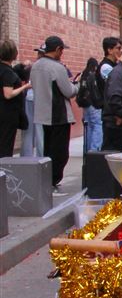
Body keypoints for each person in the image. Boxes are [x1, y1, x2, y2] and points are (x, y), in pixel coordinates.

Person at [29, 35, 77, 188]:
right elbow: (68, 91)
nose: (62, 53)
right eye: (61, 50)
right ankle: (53, 180)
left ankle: (47, 180)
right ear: (57, 50)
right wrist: (78, 86)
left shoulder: (36, 66)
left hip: (43, 114)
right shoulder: (57, 67)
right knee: (60, 153)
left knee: (48, 150)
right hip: (58, 115)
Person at [0, 40, 31, 159]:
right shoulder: (8, 73)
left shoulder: (5, 70)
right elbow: (8, 94)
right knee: (6, 145)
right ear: (14, 54)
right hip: (7, 114)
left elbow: (13, 70)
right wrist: (25, 86)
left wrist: (21, 65)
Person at [75, 57, 104, 153]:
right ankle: (94, 149)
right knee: (97, 125)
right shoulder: (93, 75)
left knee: (89, 127)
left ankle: (87, 150)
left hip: (85, 104)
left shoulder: (83, 74)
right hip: (93, 103)